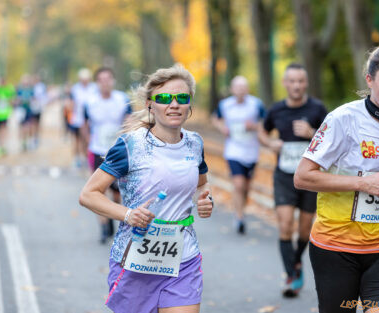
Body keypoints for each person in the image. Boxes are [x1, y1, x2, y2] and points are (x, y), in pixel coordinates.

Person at [79, 64, 213, 313]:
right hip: (135, 259)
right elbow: (88, 194)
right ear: (151, 104)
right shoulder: (130, 146)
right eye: (164, 98)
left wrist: (205, 200)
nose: (174, 104)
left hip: (183, 258)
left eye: (182, 97)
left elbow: (201, 186)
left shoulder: (195, 143)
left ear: (189, 104)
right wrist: (128, 214)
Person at [294, 45, 379, 313]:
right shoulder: (343, 119)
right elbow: (303, 177)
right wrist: (362, 183)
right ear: (370, 80)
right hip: (336, 247)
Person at [258, 63, 328, 297]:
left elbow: (334, 139)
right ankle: (291, 275)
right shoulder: (277, 110)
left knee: (305, 228)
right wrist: (270, 143)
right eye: (292, 81)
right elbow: (262, 131)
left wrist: (313, 133)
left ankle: (296, 263)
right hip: (284, 176)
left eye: (301, 81)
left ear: (305, 83)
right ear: (285, 83)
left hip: (311, 178)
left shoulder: (318, 109)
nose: (297, 85)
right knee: (285, 224)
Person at [83, 67, 132, 244]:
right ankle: (104, 227)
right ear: (97, 83)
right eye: (101, 80)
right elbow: (85, 124)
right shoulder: (90, 102)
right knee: (98, 190)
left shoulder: (122, 99)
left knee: (118, 193)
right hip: (97, 150)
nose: (105, 83)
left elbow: (130, 120)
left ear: (113, 81)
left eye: (108, 79)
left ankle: (117, 219)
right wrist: (88, 143)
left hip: (118, 151)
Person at [212, 75, 265, 234]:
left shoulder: (256, 104)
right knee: (238, 184)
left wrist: (254, 126)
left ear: (247, 89)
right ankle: (239, 217)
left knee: (247, 187)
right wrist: (222, 128)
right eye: (238, 87)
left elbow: (266, 123)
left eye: (244, 87)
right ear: (232, 89)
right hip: (233, 150)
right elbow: (215, 118)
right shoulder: (225, 105)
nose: (241, 90)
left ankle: (240, 209)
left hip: (251, 151)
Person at [70, 68, 98, 167]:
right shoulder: (76, 88)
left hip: (90, 119)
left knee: (87, 139)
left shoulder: (94, 88)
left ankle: (86, 157)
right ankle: (77, 158)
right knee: (77, 139)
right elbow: (72, 103)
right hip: (77, 118)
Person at [16, 74, 34, 152]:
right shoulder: (19, 89)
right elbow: (16, 99)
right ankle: (22, 142)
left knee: (28, 127)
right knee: (22, 127)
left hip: (28, 110)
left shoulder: (31, 90)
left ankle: (27, 141)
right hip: (21, 111)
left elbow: (33, 99)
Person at [30, 74, 48, 148]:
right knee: (32, 123)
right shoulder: (32, 86)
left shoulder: (42, 86)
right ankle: (33, 137)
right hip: (32, 107)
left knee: (37, 123)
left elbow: (44, 96)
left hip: (39, 107)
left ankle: (36, 137)